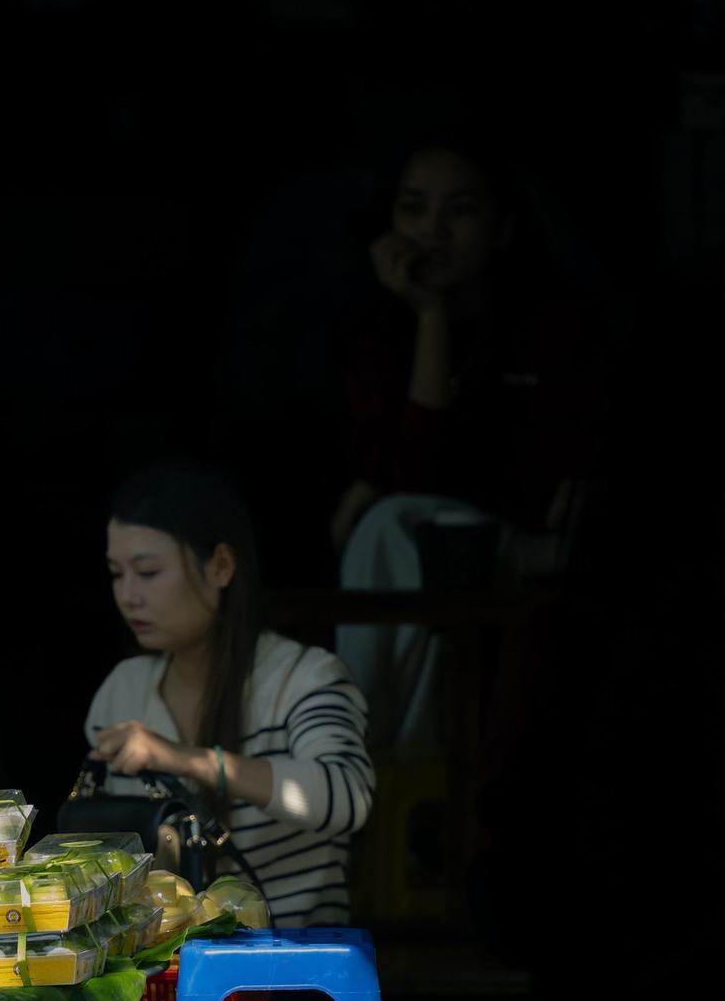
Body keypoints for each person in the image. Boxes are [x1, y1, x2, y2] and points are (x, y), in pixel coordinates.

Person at [330, 136, 603, 746]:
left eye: (460, 210)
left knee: (395, 523)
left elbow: (540, 486)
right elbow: (411, 473)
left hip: (522, 553)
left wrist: (376, 485)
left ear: (501, 229)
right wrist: (430, 318)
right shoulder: (375, 332)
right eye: (414, 208)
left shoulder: (552, 326)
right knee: (402, 533)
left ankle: (355, 762)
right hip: (421, 560)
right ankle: (398, 778)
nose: (432, 230)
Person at [86, 459, 375, 928]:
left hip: (291, 964)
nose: (128, 595)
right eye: (117, 574)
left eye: (148, 572)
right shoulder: (121, 691)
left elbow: (346, 796)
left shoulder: (304, 678)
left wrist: (184, 758)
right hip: (166, 969)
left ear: (220, 566)